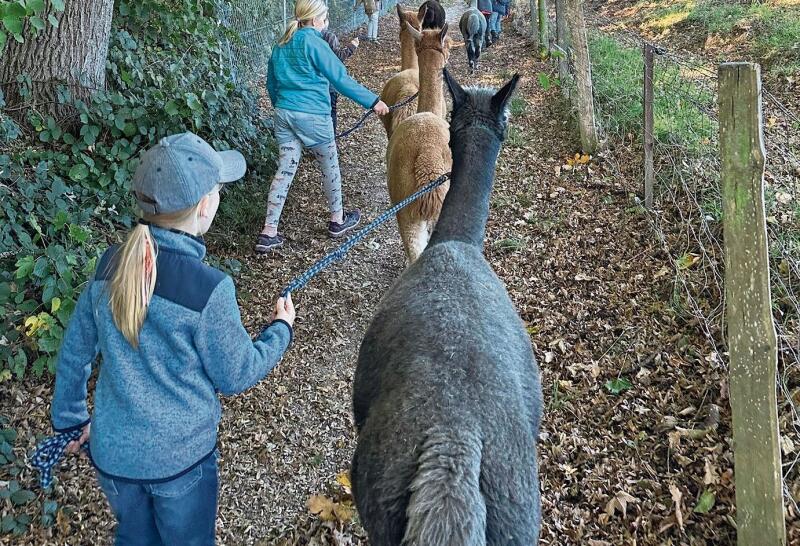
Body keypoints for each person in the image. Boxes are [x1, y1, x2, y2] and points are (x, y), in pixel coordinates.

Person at [51, 132, 297, 546]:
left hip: (114, 458)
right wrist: (280, 330)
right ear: (205, 207)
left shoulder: (109, 265)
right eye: (218, 191)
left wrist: (71, 420)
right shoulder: (208, 288)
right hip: (180, 462)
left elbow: (75, 354)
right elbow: (236, 374)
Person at [260, 0, 389, 253]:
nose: (326, 19)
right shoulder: (315, 42)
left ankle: (269, 231)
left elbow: (271, 83)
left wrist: (283, 106)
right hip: (314, 117)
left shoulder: (282, 43)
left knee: (284, 170)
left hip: (284, 114)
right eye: (325, 15)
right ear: (316, 18)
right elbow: (340, 79)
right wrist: (374, 102)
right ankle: (337, 220)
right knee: (330, 167)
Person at [320, 29, 359, 135]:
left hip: (313, 85)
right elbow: (338, 57)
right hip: (329, 83)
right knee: (331, 111)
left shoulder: (304, 37)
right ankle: (331, 137)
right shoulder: (328, 36)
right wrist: (352, 46)